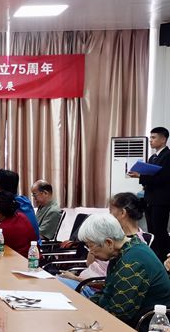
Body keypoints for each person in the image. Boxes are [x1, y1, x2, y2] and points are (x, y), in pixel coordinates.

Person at [77, 213, 170, 326]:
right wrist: (82, 307)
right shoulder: (127, 249)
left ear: (108, 242)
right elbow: (107, 293)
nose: (90, 252)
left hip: (147, 325)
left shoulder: (133, 261)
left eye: (90, 246)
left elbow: (119, 313)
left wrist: (86, 314)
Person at [58, 192, 148, 296]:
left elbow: (114, 284)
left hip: (92, 287)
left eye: (111, 211)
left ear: (122, 213)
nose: (109, 215)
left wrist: (76, 279)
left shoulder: (132, 247)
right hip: (86, 282)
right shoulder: (116, 238)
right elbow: (90, 263)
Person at [128, 126, 170, 261]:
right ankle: (154, 256)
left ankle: (164, 258)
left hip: (161, 200)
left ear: (163, 139)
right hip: (150, 198)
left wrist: (140, 176)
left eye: (153, 137)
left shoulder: (168, 156)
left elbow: (164, 178)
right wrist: (142, 177)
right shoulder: (153, 157)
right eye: (150, 137)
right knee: (151, 230)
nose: (150, 140)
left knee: (160, 230)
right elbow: (151, 176)